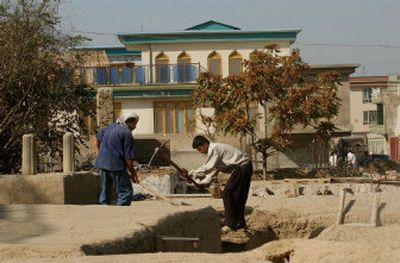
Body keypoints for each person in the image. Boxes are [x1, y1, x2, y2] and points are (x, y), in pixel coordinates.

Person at [182, 135, 252, 232]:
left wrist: (191, 173)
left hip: (243, 167)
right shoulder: (214, 154)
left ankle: (230, 224)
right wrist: (198, 182)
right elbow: (210, 175)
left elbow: (207, 168)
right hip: (243, 168)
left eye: (199, 148)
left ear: (205, 144)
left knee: (228, 193)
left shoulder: (214, 149)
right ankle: (240, 223)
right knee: (237, 196)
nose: (199, 151)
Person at [94, 113, 140, 206]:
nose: (135, 126)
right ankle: (121, 210)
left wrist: (100, 153)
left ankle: (103, 207)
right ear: (129, 123)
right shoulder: (127, 133)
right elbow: (128, 158)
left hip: (103, 164)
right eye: (134, 124)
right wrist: (133, 174)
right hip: (116, 165)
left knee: (105, 189)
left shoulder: (109, 127)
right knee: (125, 190)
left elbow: (96, 139)